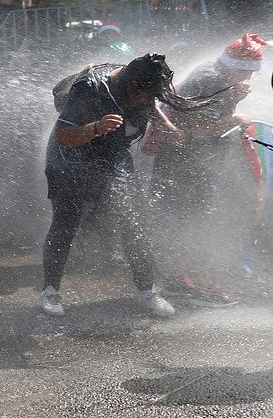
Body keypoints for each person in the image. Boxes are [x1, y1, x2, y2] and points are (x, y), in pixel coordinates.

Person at [40, 53, 210, 318]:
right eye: (147, 95)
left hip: (113, 157)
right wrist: (96, 128)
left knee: (136, 224)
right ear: (132, 87)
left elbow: (150, 106)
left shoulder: (140, 82)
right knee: (66, 223)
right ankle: (50, 292)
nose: (150, 100)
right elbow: (63, 135)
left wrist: (167, 127)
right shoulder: (90, 88)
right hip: (70, 159)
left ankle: (146, 292)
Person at [151, 33, 267, 306]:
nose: (248, 79)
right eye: (247, 73)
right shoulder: (213, 81)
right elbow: (201, 131)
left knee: (184, 221)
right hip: (184, 166)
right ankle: (197, 287)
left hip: (181, 164)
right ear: (237, 67)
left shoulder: (213, 73)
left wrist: (234, 101)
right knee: (195, 223)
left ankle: (178, 283)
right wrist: (236, 118)